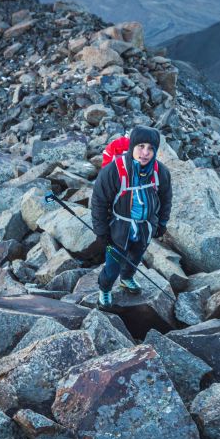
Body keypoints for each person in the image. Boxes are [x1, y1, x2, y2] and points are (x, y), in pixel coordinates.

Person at [91, 125, 172, 308]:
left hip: (145, 227)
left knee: (135, 257)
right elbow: (99, 203)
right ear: (132, 146)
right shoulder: (113, 171)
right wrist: (101, 231)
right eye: (141, 146)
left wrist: (162, 222)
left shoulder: (161, 172)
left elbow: (166, 199)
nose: (145, 152)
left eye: (151, 148)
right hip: (119, 228)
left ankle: (127, 277)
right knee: (112, 264)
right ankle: (104, 289)